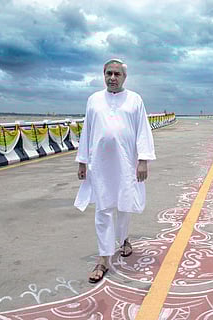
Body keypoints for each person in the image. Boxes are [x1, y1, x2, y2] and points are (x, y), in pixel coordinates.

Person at [75, 58, 156, 283]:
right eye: (108, 73)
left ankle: (124, 240)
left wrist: (143, 161)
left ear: (124, 77)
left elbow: (142, 131)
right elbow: (87, 132)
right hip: (100, 165)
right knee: (103, 209)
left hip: (126, 163)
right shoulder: (93, 100)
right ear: (103, 75)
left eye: (117, 74)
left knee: (124, 206)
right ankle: (103, 259)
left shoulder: (135, 100)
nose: (112, 78)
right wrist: (82, 161)